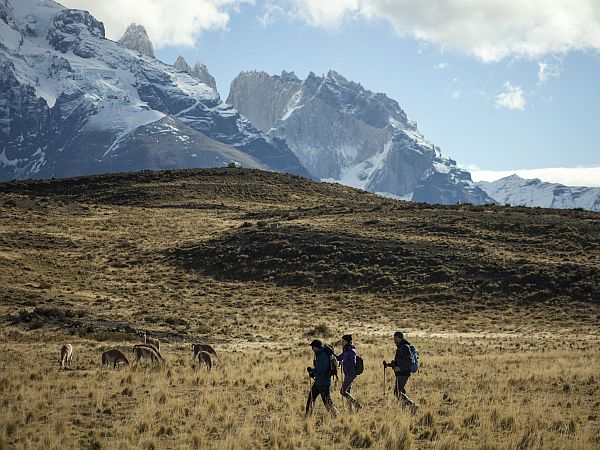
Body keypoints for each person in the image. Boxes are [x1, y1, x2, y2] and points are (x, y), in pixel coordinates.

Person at [383, 331, 418, 411]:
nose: (394, 340)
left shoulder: (405, 347)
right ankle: (405, 409)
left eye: (395, 338)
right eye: (394, 338)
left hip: (404, 372)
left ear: (400, 338)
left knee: (397, 392)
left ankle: (413, 406)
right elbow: (398, 363)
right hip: (401, 372)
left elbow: (409, 360)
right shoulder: (400, 347)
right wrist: (388, 364)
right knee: (401, 391)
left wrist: (400, 368)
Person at [305, 339, 339, 417]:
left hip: (323, 382)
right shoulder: (319, 354)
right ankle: (308, 416)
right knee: (311, 398)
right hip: (319, 381)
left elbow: (321, 370)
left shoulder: (323, 356)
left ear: (316, 347)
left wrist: (312, 370)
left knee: (327, 401)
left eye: (313, 347)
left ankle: (336, 416)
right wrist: (313, 372)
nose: (312, 348)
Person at [336, 334, 363, 411]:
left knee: (342, 391)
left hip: (351, 374)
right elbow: (338, 358)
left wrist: (345, 362)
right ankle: (350, 410)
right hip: (347, 373)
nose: (342, 342)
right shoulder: (346, 350)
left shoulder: (351, 351)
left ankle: (357, 405)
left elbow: (353, 363)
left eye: (343, 341)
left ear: (347, 341)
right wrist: (332, 353)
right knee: (347, 391)